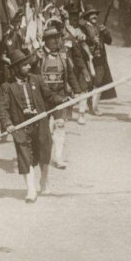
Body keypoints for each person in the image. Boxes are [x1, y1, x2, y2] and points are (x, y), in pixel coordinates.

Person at [0, 49, 61, 202]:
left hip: (40, 123)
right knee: (26, 157)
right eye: (25, 65)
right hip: (21, 126)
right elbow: (2, 109)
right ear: (16, 68)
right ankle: (31, 190)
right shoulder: (7, 87)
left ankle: (44, 181)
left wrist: (62, 99)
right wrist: (8, 124)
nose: (29, 67)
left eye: (28, 64)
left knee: (44, 154)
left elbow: (49, 96)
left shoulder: (37, 79)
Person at [36, 26, 80, 169]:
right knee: (43, 129)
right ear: (46, 40)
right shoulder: (38, 56)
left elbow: (71, 75)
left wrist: (77, 91)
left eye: (57, 38)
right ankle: (43, 155)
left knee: (60, 125)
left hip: (60, 96)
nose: (56, 41)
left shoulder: (64, 55)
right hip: (43, 98)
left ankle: (58, 157)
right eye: (53, 38)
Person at [80, 7, 116, 115]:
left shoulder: (99, 28)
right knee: (89, 84)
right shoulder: (83, 28)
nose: (94, 16)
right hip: (89, 59)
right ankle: (90, 105)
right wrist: (91, 40)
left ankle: (94, 107)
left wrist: (105, 32)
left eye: (95, 14)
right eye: (91, 14)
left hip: (100, 60)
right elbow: (82, 40)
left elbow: (109, 41)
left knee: (99, 83)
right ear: (87, 17)